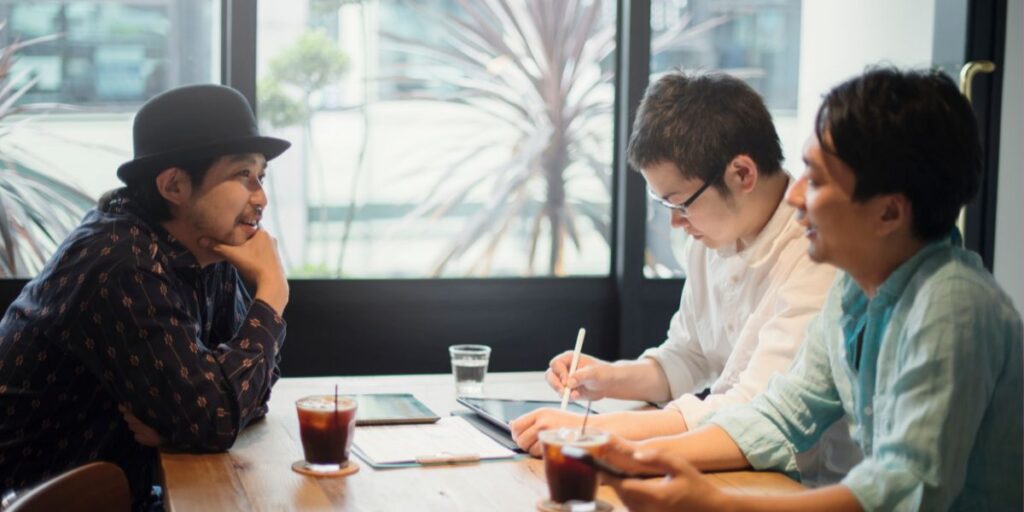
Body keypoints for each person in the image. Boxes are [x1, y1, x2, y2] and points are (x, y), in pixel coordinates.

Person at [601, 67, 1023, 511]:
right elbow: (781, 413)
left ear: (889, 213)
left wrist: (719, 504)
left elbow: (903, 486)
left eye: (817, 181)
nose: (796, 195)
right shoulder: (854, 292)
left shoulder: (952, 305)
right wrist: (632, 456)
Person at [511, 72, 857, 484]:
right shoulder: (710, 235)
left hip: (802, 481)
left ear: (742, 174)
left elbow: (752, 408)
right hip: (732, 465)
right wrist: (606, 378)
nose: (675, 222)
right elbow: (690, 355)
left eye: (680, 203)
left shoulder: (819, 251)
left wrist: (592, 434)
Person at [0, 84, 292, 509]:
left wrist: (182, 421)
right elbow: (218, 416)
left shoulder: (209, 247)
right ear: (174, 185)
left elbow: (253, 381)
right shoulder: (120, 261)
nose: (261, 197)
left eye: (261, 176)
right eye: (241, 175)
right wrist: (272, 293)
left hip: (122, 491)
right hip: (38, 499)